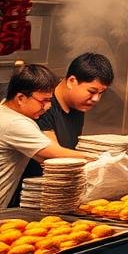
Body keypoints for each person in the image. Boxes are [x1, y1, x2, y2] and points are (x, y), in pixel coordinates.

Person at [14, 53, 114, 205]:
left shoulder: (78, 106)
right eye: (92, 91)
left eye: (101, 93)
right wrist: (110, 163)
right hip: (30, 198)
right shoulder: (42, 106)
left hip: (59, 195)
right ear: (72, 81)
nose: (96, 99)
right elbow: (54, 155)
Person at [0, 64, 91, 207]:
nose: (48, 107)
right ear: (20, 98)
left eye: (50, 100)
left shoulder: (5, 110)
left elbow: (43, 159)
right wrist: (106, 159)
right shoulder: (16, 123)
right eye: (44, 101)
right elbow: (53, 154)